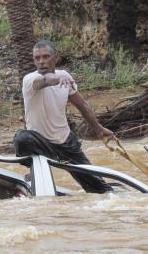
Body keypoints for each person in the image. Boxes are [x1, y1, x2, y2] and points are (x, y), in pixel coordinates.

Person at [13, 40, 114, 194]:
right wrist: (57, 79)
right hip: (40, 142)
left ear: (56, 58)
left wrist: (99, 129)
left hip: (65, 142)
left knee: (101, 189)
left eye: (45, 57)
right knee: (21, 139)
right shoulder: (30, 79)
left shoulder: (65, 76)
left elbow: (83, 106)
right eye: (37, 58)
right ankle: (33, 171)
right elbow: (45, 80)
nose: (41, 61)